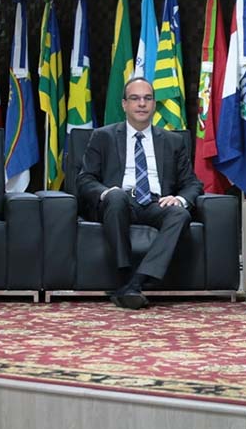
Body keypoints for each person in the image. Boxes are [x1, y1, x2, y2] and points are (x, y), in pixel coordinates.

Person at [77, 77, 203, 310]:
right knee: (116, 197)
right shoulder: (103, 136)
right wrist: (105, 192)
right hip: (119, 202)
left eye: (147, 98)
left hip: (156, 203)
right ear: (124, 104)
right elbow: (85, 179)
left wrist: (179, 198)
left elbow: (192, 184)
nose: (142, 104)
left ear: (154, 104)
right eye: (135, 99)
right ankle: (125, 275)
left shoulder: (173, 141)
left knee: (180, 214)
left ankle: (137, 281)